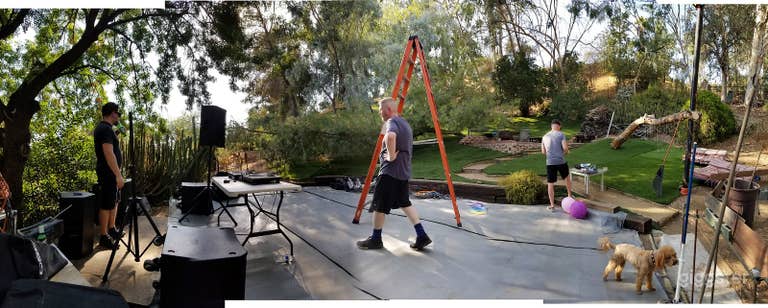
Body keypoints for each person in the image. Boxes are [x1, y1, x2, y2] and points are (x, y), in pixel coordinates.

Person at [357, 98, 431, 251]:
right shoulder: (405, 124)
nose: (379, 112)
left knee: (379, 206)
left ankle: (376, 239)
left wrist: (390, 156)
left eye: (380, 109)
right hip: (402, 173)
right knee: (405, 203)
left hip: (390, 173)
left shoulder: (391, 122)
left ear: (388, 110)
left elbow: (391, 137)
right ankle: (422, 235)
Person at [93, 102, 124, 249]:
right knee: (106, 204)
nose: (119, 116)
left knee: (114, 201)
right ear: (112, 113)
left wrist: (116, 132)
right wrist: (118, 175)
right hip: (108, 173)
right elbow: (108, 153)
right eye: (118, 113)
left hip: (112, 172)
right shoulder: (105, 129)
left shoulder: (108, 129)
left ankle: (112, 229)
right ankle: (104, 236)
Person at [541, 119, 573, 211]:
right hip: (561, 161)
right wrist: (565, 152)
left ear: (551, 126)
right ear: (559, 126)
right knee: (567, 178)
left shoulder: (544, 136)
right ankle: (570, 196)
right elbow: (565, 148)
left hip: (550, 162)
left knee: (550, 183)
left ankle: (552, 205)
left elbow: (543, 152)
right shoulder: (561, 134)